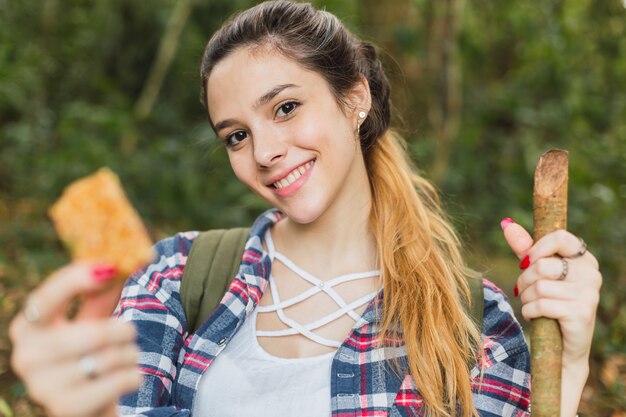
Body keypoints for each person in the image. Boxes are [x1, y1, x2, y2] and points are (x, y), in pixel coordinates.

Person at [9, 1, 602, 416]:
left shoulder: (474, 320)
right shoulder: (176, 277)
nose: (264, 151)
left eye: (286, 108)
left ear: (355, 98)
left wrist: (569, 367)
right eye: (236, 135)